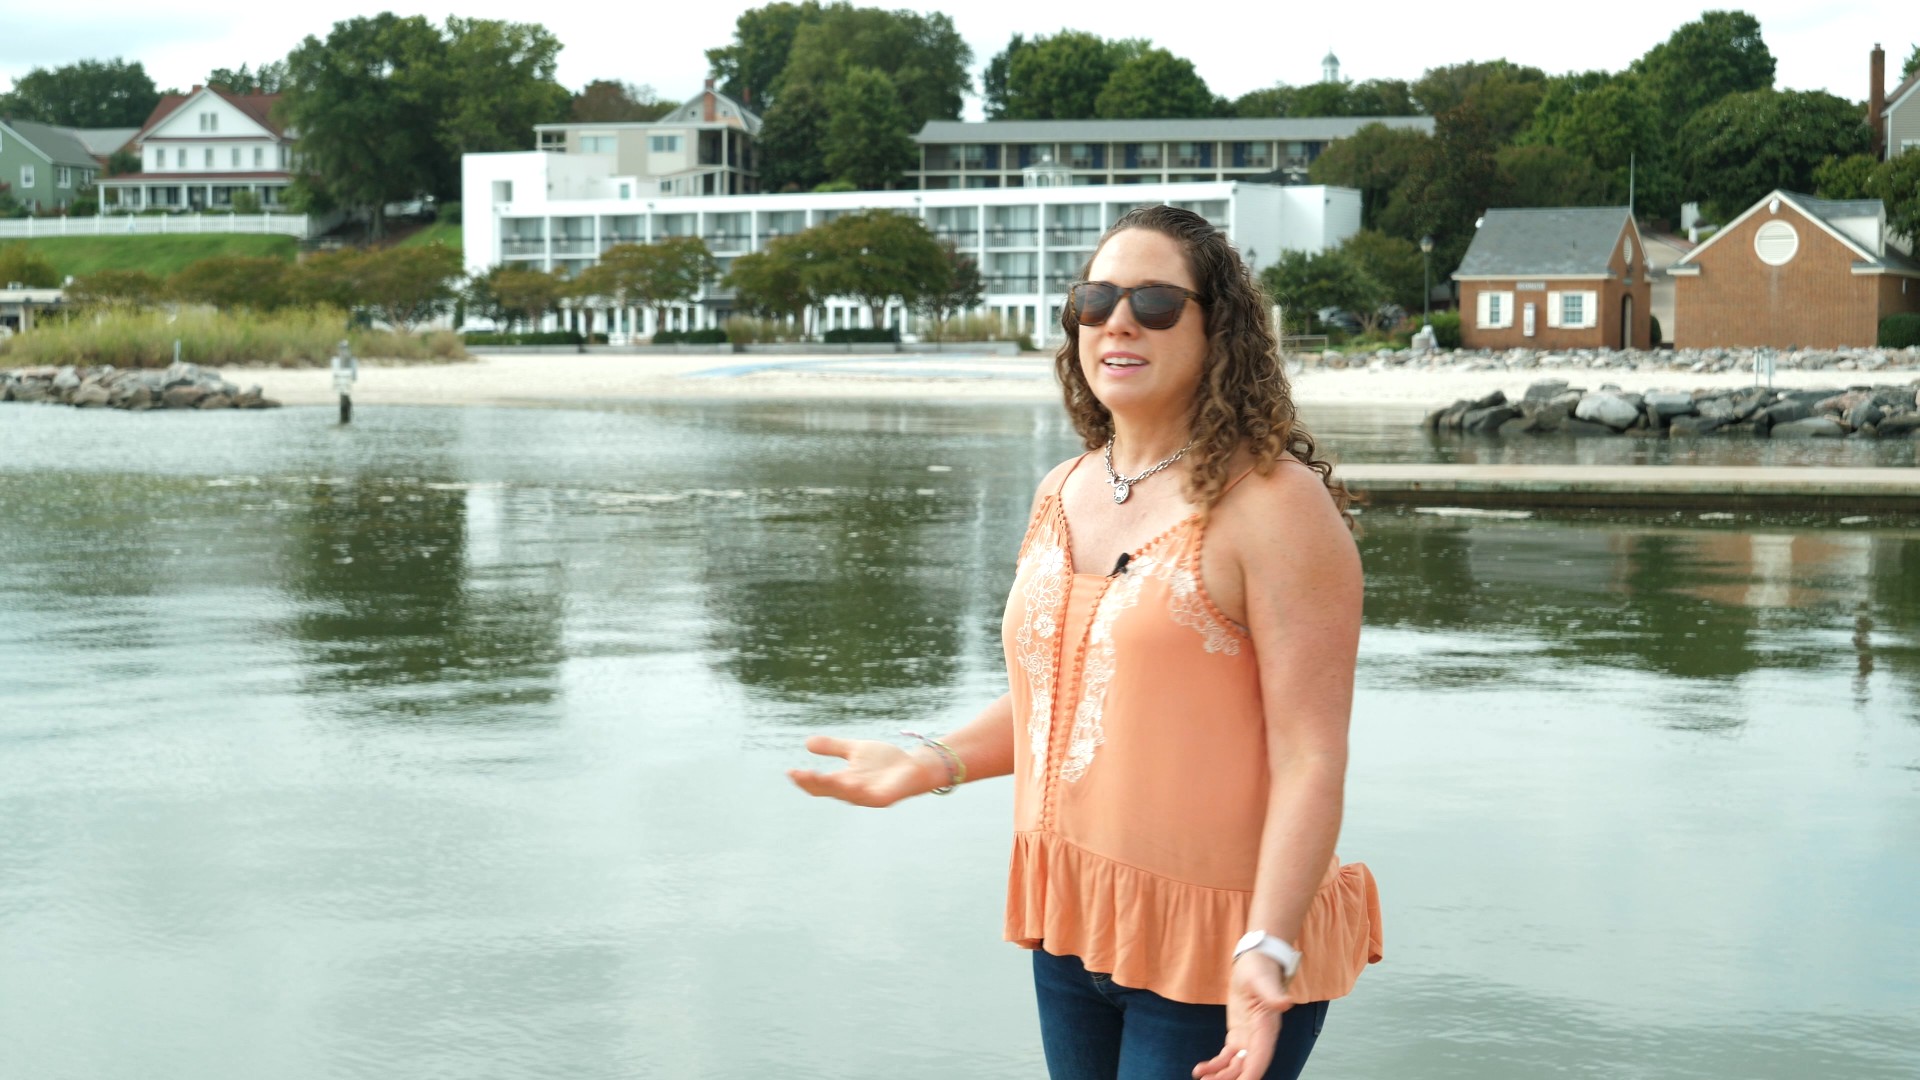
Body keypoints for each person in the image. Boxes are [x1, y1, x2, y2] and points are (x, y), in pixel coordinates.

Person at [789, 205, 1382, 1080]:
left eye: (1154, 302)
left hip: (1221, 950)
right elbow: (1062, 695)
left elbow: (1310, 756)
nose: (1118, 322)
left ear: (1221, 328)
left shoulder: (1275, 504)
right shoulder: (1063, 488)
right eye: (1096, 299)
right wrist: (930, 761)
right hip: (1075, 924)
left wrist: (1270, 946)